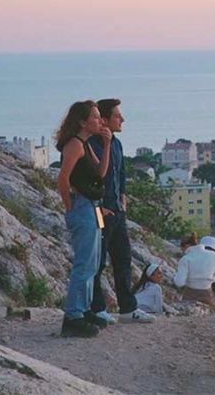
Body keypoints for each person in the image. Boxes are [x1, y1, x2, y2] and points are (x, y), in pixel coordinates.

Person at [88, 98, 155, 324]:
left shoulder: (116, 144)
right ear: (104, 119)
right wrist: (101, 205)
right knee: (98, 261)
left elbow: (121, 175)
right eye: (118, 116)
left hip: (117, 210)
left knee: (123, 259)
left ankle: (127, 308)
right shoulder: (92, 144)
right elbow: (93, 178)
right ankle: (96, 309)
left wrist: (123, 202)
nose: (122, 119)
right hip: (100, 211)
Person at [56, 100, 112, 337]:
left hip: (92, 207)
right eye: (96, 117)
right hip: (82, 207)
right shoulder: (74, 146)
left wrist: (107, 144)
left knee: (93, 261)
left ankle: (84, 309)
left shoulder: (86, 145)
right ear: (82, 121)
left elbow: (100, 173)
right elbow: (62, 179)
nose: (100, 120)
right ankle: (73, 316)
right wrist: (70, 206)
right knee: (84, 262)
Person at [173, 233, 215, 307]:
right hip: (208, 294)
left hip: (190, 295)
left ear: (186, 246)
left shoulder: (185, 259)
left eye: (181, 248)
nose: (181, 250)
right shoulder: (213, 255)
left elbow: (179, 283)